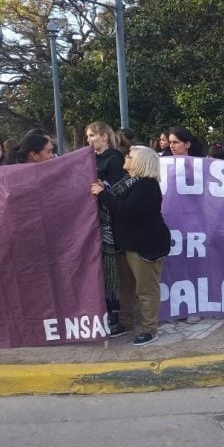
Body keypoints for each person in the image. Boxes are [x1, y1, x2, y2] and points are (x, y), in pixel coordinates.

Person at [91, 146, 171, 346]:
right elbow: (118, 202)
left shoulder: (147, 186)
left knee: (145, 290)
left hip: (145, 245)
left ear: (140, 163)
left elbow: (126, 210)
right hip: (128, 243)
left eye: (129, 156)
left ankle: (150, 330)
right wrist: (106, 190)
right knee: (126, 288)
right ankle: (126, 323)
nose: (124, 158)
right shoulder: (128, 183)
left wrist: (103, 194)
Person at [85, 121, 126, 337]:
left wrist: (102, 187)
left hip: (108, 219)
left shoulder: (114, 158)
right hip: (90, 219)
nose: (89, 140)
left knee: (109, 265)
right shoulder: (90, 158)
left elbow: (118, 187)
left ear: (104, 136)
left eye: (92, 135)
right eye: (88, 136)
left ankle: (114, 313)